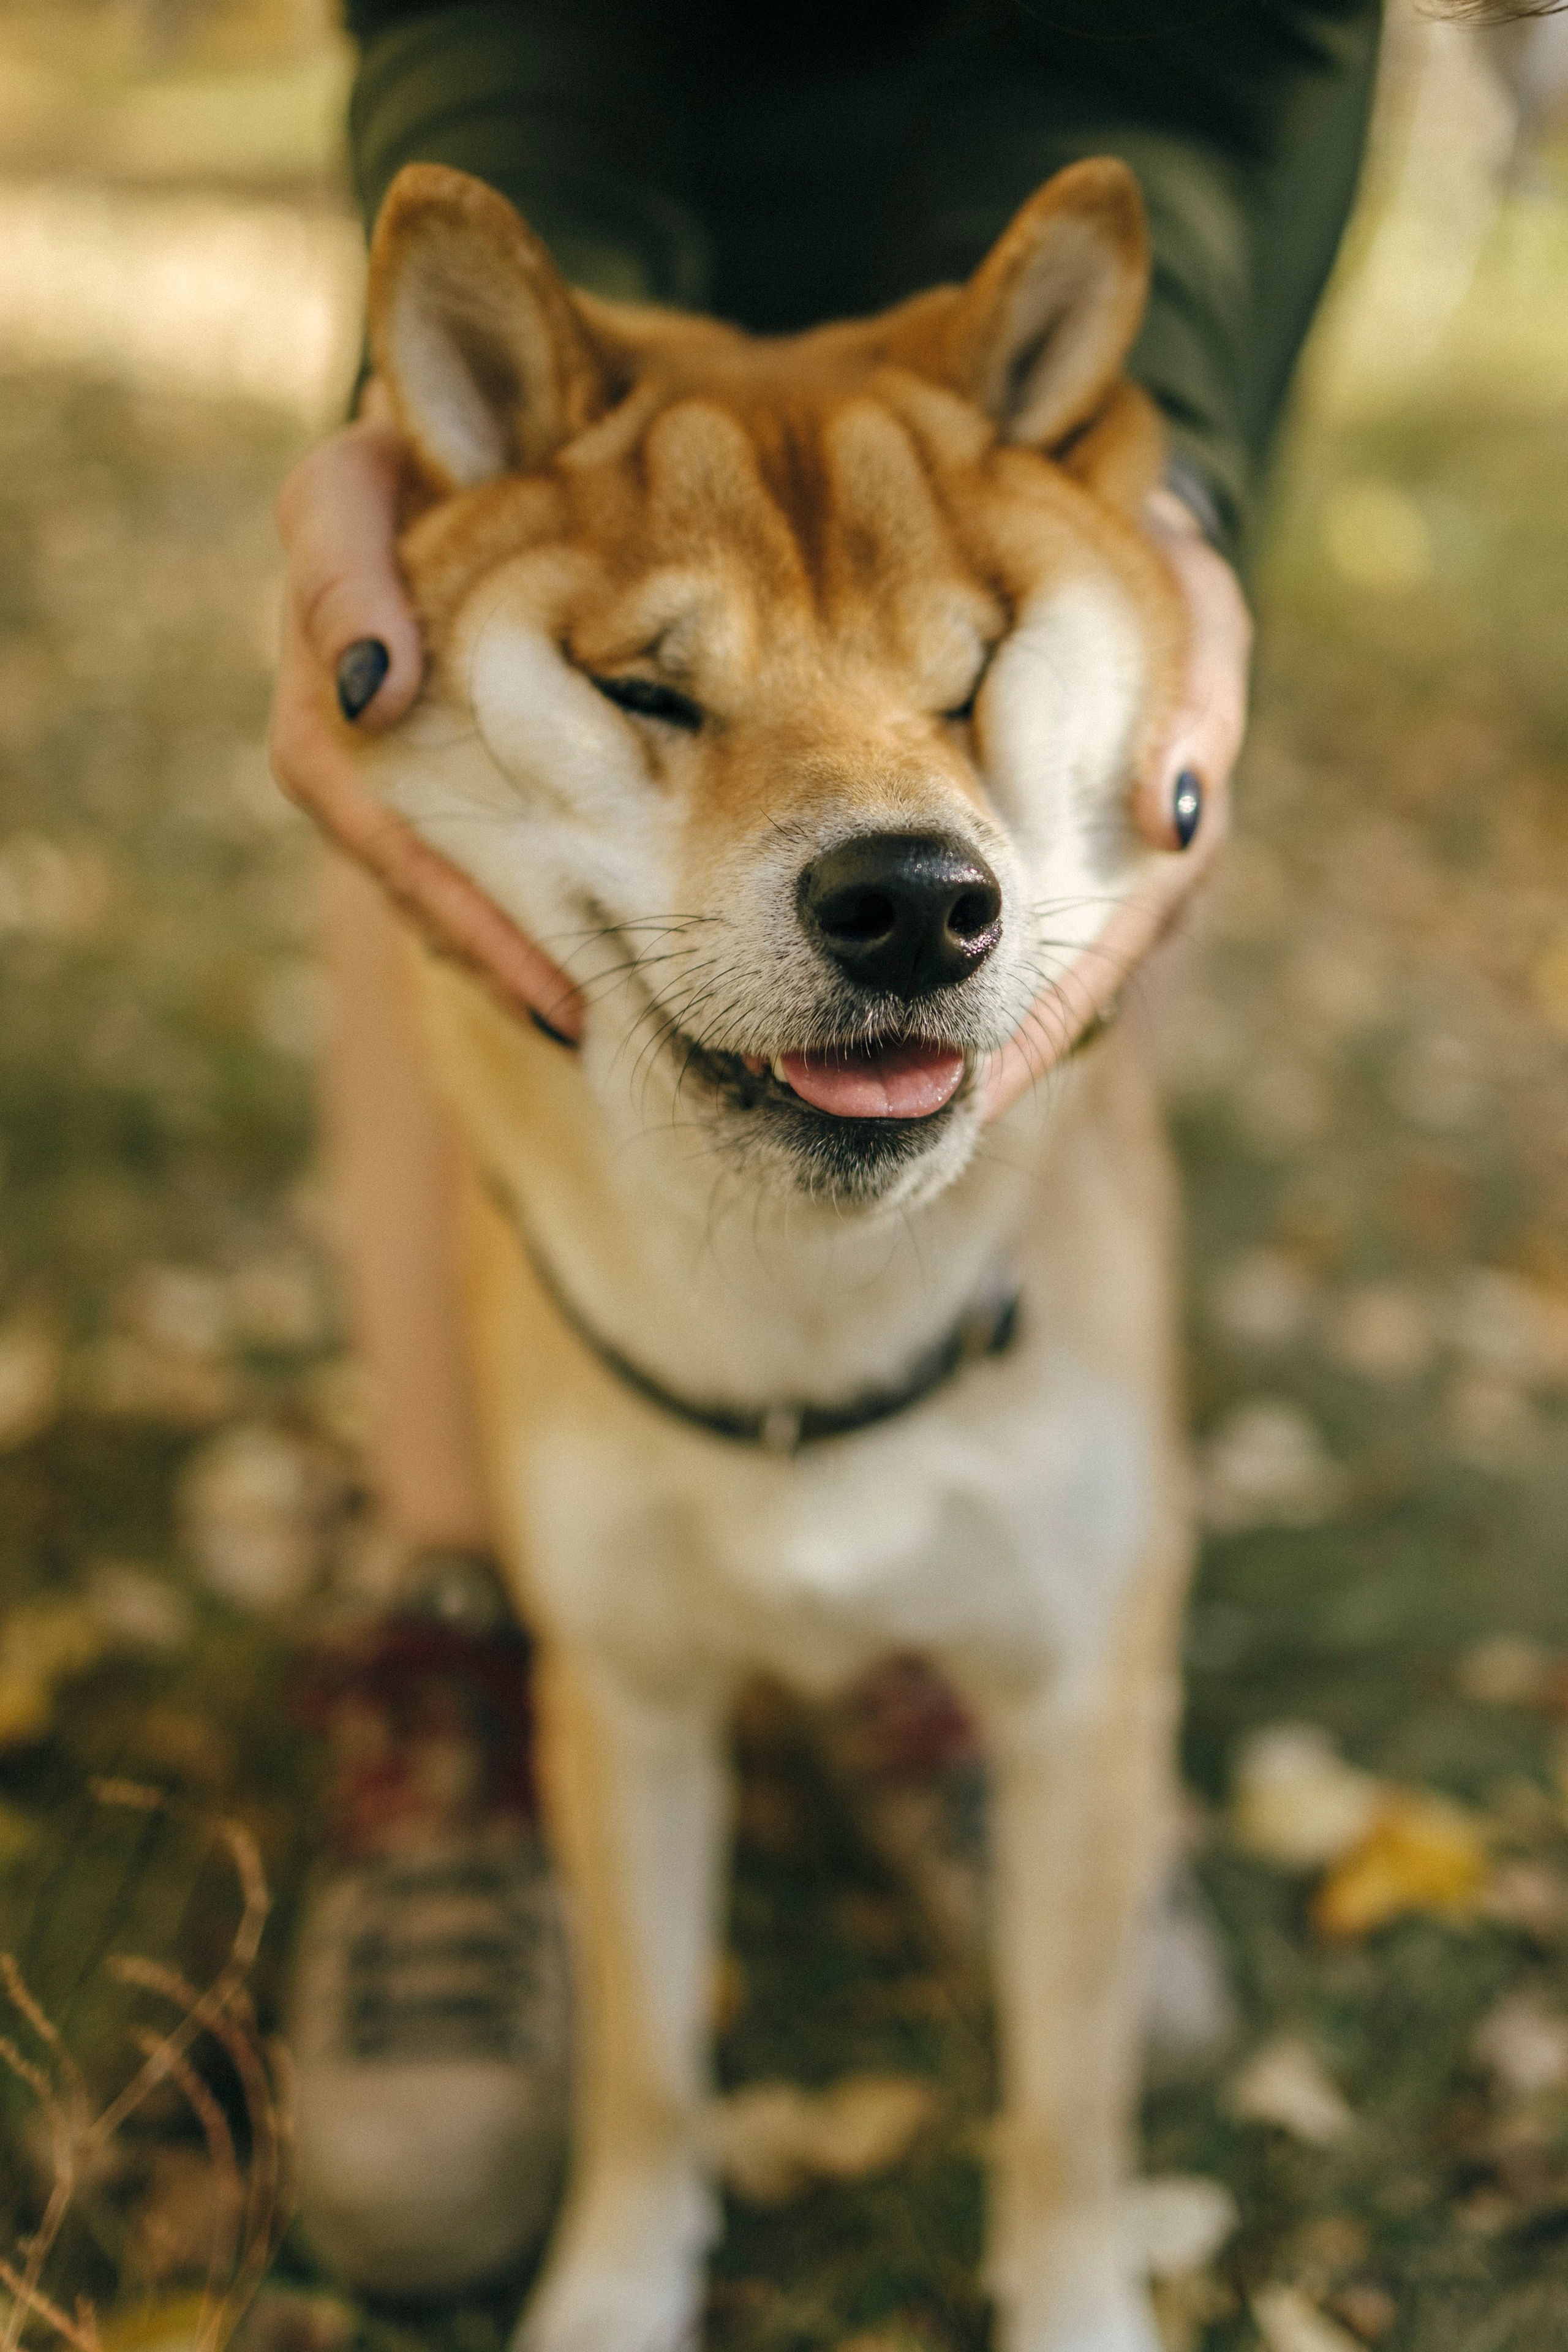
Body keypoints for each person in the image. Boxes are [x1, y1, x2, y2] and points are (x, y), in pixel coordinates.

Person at [270, 0, 1378, 2298]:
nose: (879, 838)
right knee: (456, 864)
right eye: (669, 699)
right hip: (573, 91)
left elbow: (1215, 83)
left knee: (1085, 858)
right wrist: (446, 394)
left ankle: (1053, 2163)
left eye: (960, 687)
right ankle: (468, 1630)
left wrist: (1179, 517)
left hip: (1123, 80)